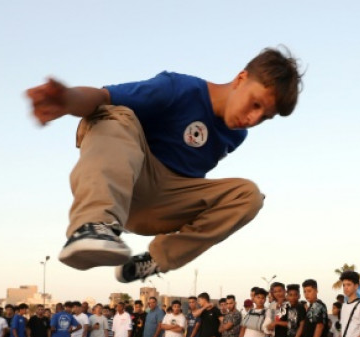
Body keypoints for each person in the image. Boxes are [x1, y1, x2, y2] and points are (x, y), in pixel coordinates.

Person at [27, 48, 303, 282]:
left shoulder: (236, 135)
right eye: (255, 104)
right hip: (130, 179)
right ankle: (93, 225)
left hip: (166, 203)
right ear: (240, 79)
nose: (253, 119)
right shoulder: (179, 89)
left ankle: (156, 259)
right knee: (114, 113)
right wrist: (68, 100)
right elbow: (103, 97)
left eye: (264, 117)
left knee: (249, 195)